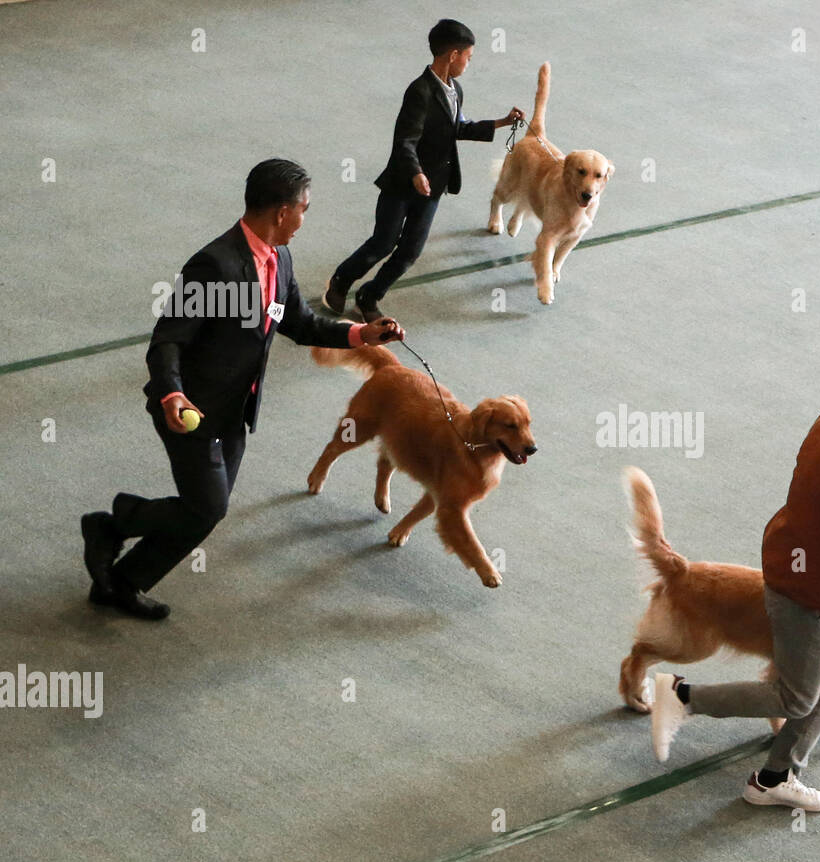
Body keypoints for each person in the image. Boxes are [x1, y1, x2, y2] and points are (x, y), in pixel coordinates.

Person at [80, 158, 407, 620]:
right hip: (189, 406)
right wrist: (172, 394)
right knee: (207, 508)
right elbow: (168, 339)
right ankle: (111, 523)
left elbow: (299, 322)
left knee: (206, 509)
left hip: (234, 409)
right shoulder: (215, 265)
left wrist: (361, 335)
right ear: (280, 212)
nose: (304, 219)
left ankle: (120, 583)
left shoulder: (279, 258)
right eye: (304, 209)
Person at [650, 356, 820, 811]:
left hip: (792, 565)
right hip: (816, 591)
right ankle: (682, 697)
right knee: (796, 697)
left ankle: (774, 778)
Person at [322, 19, 525, 320]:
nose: (469, 63)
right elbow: (405, 140)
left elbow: (458, 127)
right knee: (384, 242)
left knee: (410, 251)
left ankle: (370, 295)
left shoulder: (454, 89)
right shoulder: (419, 92)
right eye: (468, 57)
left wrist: (501, 122)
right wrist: (416, 173)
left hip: (433, 186)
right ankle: (341, 280)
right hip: (403, 184)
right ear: (454, 55)